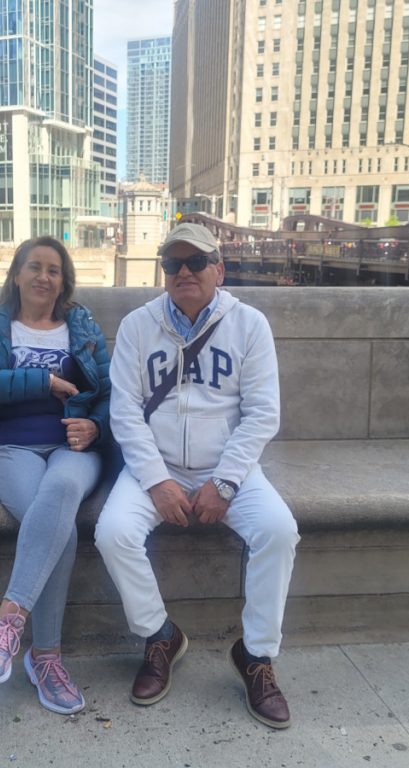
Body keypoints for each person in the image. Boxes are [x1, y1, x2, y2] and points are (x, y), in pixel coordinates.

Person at [94, 222, 300, 729]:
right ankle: (159, 636)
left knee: (278, 531)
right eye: (172, 263)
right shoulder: (138, 325)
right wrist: (156, 480)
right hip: (156, 467)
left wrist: (226, 482)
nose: (183, 271)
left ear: (219, 269)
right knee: (112, 532)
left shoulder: (249, 324)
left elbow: (262, 414)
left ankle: (256, 656)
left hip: (227, 466)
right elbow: (125, 414)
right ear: (163, 272)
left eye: (195, 261)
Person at [0, 236, 111, 716]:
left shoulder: (82, 325)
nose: (44, 277)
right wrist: (41, 380)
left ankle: (7, 624)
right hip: (10, 448)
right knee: (58, 532)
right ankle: (44, 657)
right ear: (17, 274)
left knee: (64, 490)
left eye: (54, 269)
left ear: (64, 279)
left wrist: (97, 425)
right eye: (35, 267)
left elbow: (110, 390)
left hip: (72, 446)